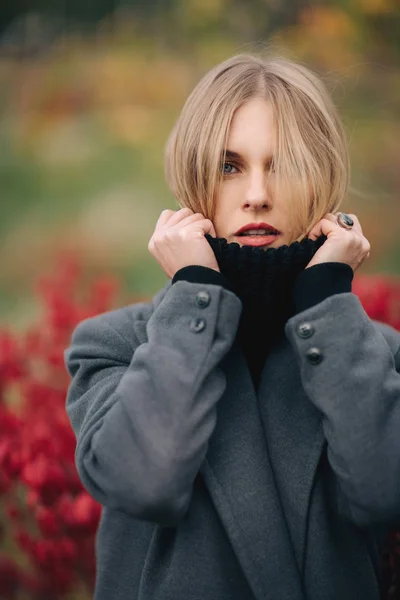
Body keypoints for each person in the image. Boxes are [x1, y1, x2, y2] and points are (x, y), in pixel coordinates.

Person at [64, 53, 400, 600]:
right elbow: (142, 483)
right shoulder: (114, 346)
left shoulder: (373, 355)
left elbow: (385, 490)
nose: (257, 194)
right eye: (229, 166)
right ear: (195, 178)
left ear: (322, 176)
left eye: (284, 163)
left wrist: (326, 299)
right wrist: (198, 289)